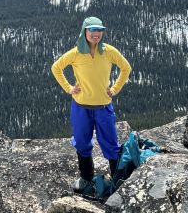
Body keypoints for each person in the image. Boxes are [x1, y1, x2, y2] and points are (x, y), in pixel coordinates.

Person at [51, 16, 132, 192]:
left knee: (111, 143)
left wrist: (115, 88)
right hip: (81, 107)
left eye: (100, 30)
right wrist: (69, 88)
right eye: (92, 30)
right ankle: (86, 177)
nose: (96, 34)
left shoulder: (109, 51)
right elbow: (56, 67)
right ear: (84, 32)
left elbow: (126, 67)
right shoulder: (75, 53)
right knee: (82, 142)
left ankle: (117, 179)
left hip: (103, 106)